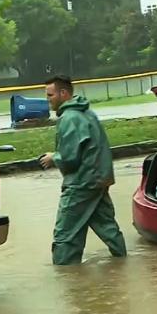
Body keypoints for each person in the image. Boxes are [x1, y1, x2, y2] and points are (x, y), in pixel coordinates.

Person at [39, 75, 127, 265]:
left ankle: (66, 277)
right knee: (106, 226)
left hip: (81, 183)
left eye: (50, 95)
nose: (48, 100)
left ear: (63, 93)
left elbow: (70, 157)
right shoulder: (87, 113)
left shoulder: (69, 118)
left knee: (65, 235)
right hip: (98, 180)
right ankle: (122, 262)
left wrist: (53, 157)